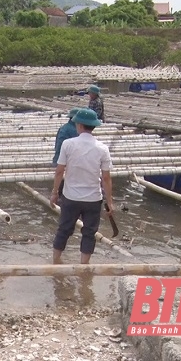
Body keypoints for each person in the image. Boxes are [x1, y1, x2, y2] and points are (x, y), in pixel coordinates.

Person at [49, 108, 114, 264]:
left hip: (71, 197)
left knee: (63, 230)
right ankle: (84, 269)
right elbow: (106, 177)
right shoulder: (102, 148)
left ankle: (55, 262)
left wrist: (54, 192)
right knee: (89, 233)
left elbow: (59, 171)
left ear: (78, 125)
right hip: (93, 199)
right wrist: (110, 201)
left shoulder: (68, 144)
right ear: (93, 126)